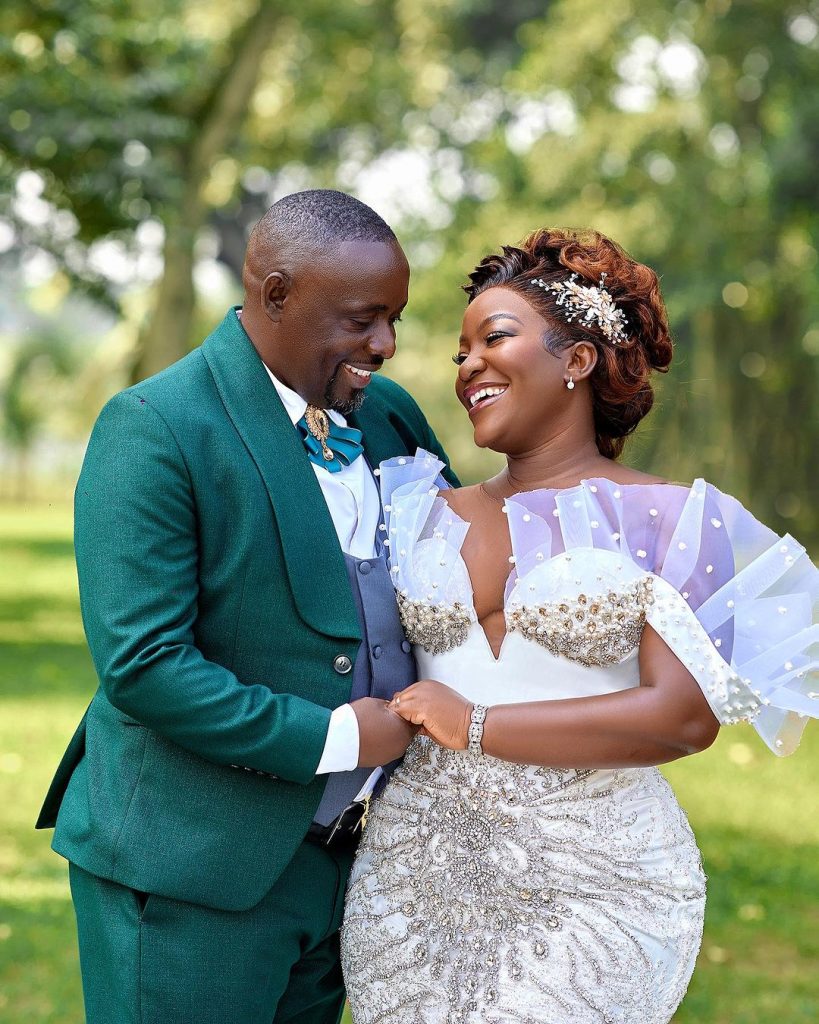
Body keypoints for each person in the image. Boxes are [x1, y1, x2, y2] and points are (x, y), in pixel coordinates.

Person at [341, 227, 819, 1023]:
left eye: (494, 338)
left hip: (594, 882)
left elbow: (682, 718)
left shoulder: (672, 519)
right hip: (411, 878)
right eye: (460, 352)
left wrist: (476, 723)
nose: (468, 366)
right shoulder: (414, 510)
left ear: (579, 359)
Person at [36, 189, 457, 1024]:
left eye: (394, 319)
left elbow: (456, 576)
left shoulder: (390, 416)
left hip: (351, 865)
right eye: (363, 319)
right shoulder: (154, 425)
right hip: (190, 868)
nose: (386, 344)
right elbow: (144, 665)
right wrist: (339, 739)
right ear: (275, 294)